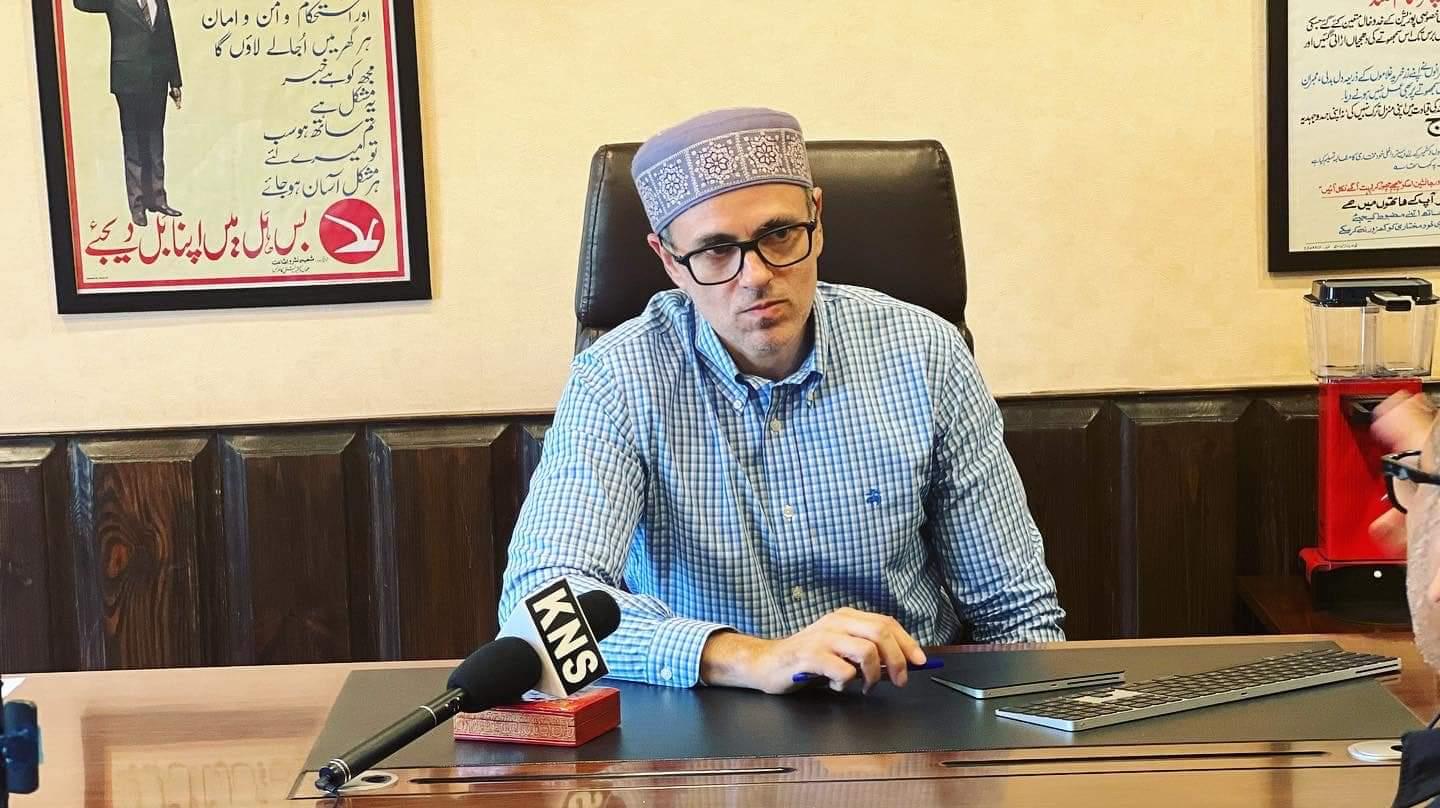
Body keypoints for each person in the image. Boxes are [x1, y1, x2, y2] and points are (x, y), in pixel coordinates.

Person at [500, 107, 1064, 695]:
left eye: (779, 235)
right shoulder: (617, 378)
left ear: (817, 221)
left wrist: (1035, 731)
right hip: (706, 712)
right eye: (716, 250)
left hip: (904, 700)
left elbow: (1016, 612)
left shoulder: (927, 353)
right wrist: (752, 658)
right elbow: (537, 608)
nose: (755, 276)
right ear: (669, 262)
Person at [74, 0, 184, 227]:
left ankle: (158, 199)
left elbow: (168, 37)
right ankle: (137, 205)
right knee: (133, 144)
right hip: (128, 79)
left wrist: (175, 81)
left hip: (157, 79)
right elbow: (82, 3)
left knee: (155, 141)